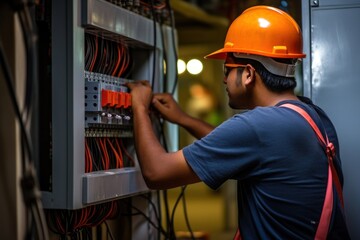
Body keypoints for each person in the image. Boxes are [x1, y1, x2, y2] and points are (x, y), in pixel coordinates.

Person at [126, 5, 350, 239]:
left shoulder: (258, 127)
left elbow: (156, 172)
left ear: (249, 74)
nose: (224, 79)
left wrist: (139, 106)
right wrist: (184, 119)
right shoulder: (312, 116)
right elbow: (242, 146)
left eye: (227, 69)